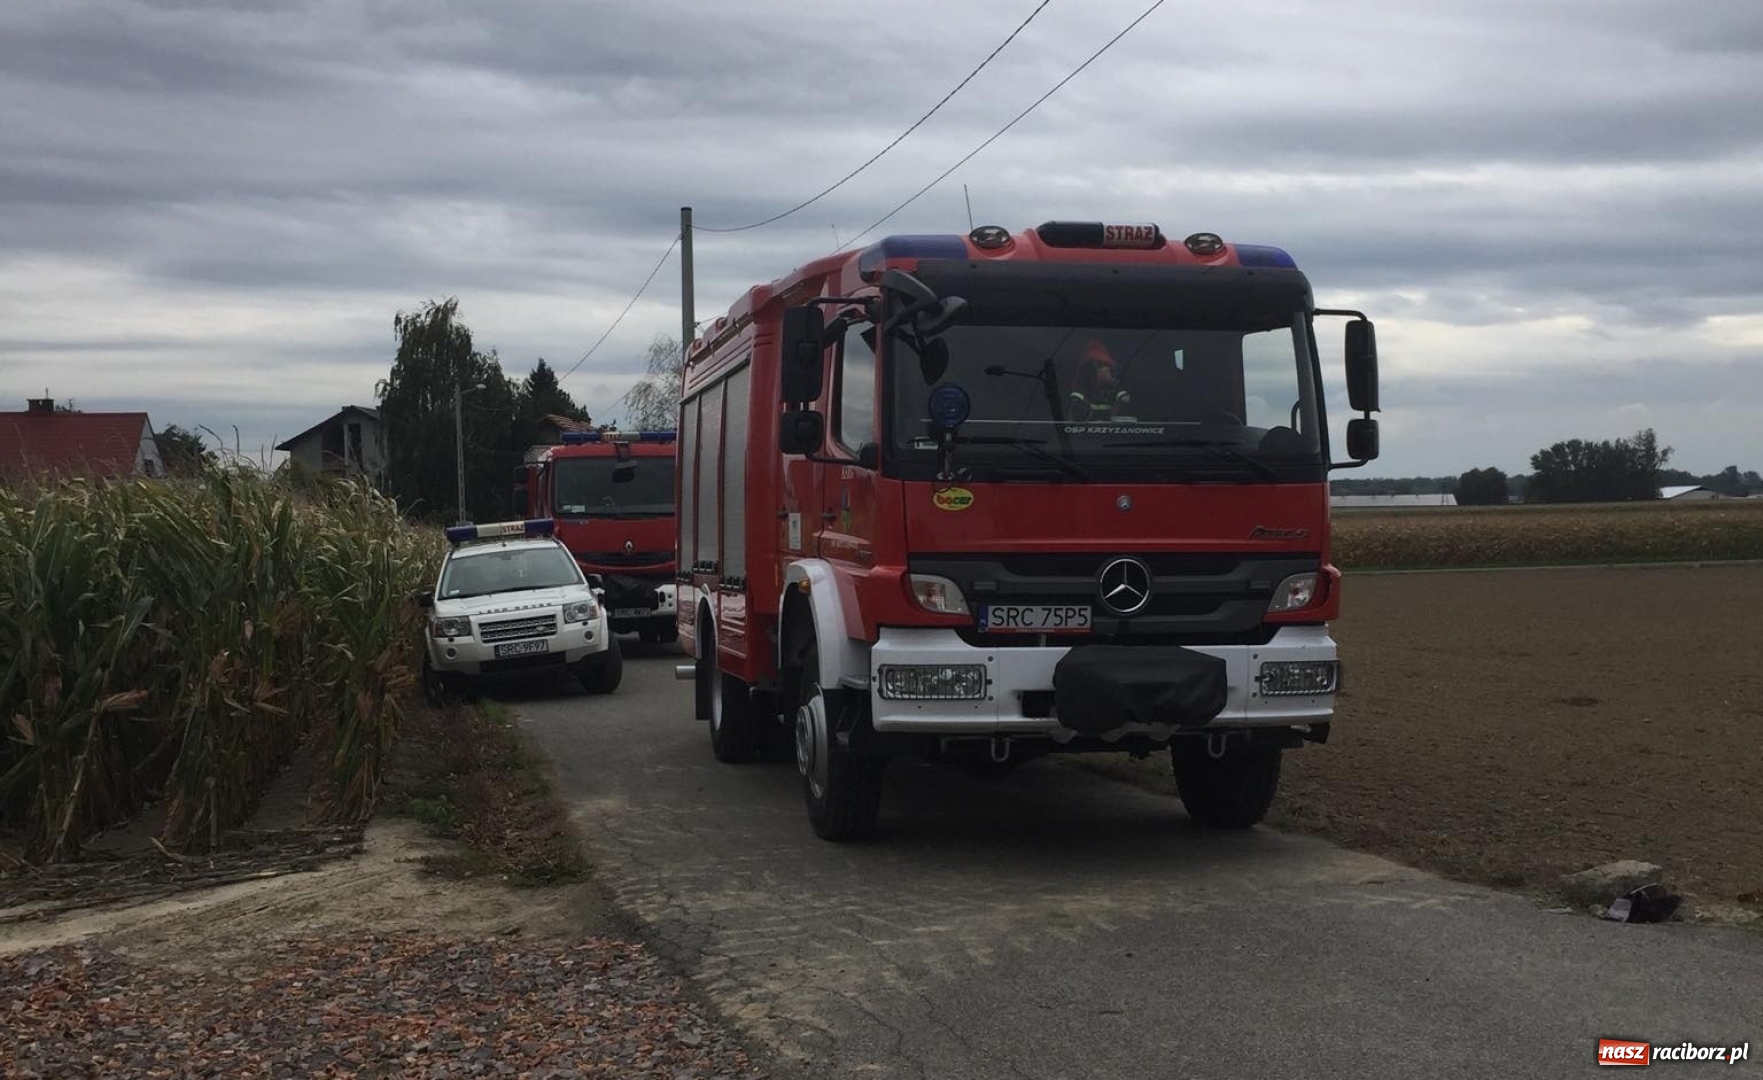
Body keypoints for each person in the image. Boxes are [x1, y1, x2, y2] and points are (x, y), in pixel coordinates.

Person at [1067, 340, 1131, 421]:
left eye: (1105, 366)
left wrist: (1122, 396)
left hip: (1111, 424)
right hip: (1087, 421)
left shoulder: (1114, 387)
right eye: (1099, 366)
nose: (1104, 369)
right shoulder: (1083, 385)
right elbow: (1077, 394)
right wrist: (1077, 401)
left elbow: (1120, 394)